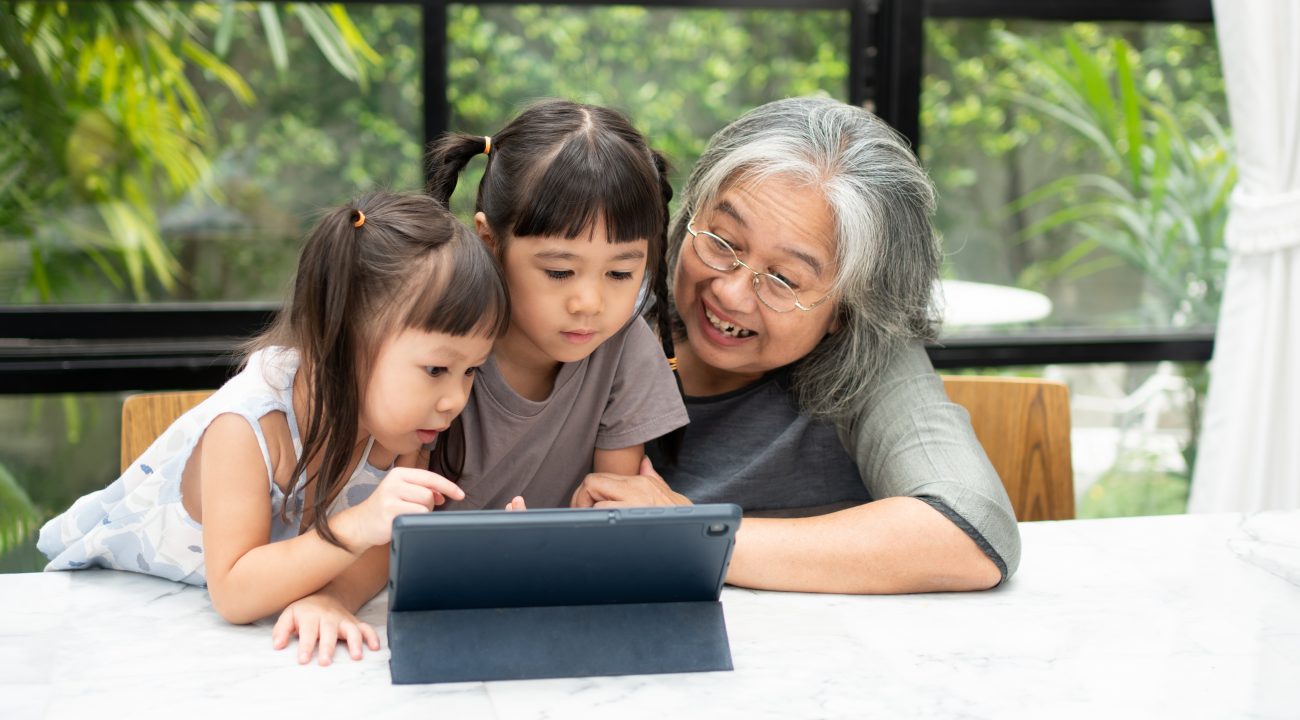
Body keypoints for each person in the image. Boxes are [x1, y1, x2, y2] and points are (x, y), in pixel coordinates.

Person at [271, 99, 689, 663]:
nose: (590, 302)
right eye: (559, 270)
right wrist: (331, 598)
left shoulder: (625, 349)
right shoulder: (441, 353)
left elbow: (607, 519)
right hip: (423, 604)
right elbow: (391, 518)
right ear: (491, 242)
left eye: (621, 272)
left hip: (543, 609)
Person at [570, 96, 1022, 594]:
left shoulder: (868, 360)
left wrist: (691, 534)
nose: (731, 292)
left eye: (783, 279)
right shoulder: (593, 311)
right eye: (722, 242)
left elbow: (970, 530)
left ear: (848, 308)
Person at [37, 192, 509, 636]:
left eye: (470, 371)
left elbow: (381, 546)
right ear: (342, 340)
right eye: (436, 368)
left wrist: (332, 599)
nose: (455, 399)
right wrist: (356, 524)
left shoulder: (404, 428)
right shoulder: (247, 427)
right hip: (104, 605)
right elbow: (235, 592)